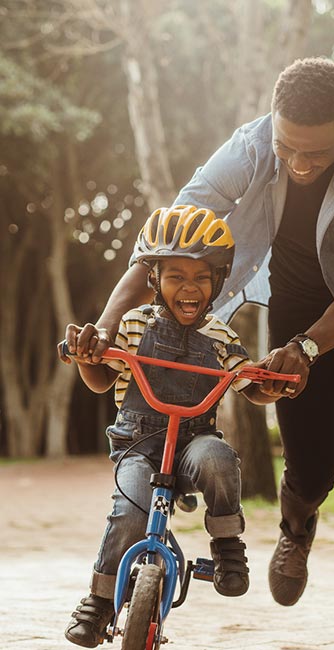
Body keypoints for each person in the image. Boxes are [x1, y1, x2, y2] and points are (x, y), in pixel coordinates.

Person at [59, 58, 334, 650]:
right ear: (273, 124)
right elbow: (170, 234)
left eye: (316, 153)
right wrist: (105, 326)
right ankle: (298, 521)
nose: (300, 164)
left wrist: (308, 347)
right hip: (297, 296)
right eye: (289, 148)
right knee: (312, 463)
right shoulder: (252, 145)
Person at [63, 205, 289, 649]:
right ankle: (99, 600)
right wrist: (89, 358)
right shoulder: (131, 324)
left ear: (218, 282)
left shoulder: (222, 337)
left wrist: (272, 386)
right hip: (138, 445)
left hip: (193, 443)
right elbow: (101, 380)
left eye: (201, 278)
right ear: (153, 279)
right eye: (175, 276)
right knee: (129, 513)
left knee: (219, 458)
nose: (189, 287)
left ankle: (227, 547)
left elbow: (249, 384)